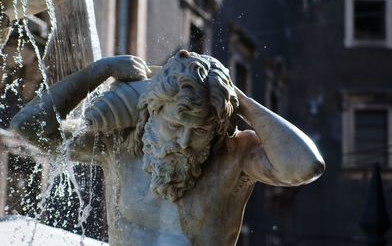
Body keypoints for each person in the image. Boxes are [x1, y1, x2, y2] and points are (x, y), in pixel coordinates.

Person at [11, 50, 325, 246]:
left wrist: (237, 100)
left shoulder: (235, 154)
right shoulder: (118, 144)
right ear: (151, 113)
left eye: (200, 130)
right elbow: (27, 128)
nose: (185, 142)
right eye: (175, 125)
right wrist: (100, 70)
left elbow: (305, 166)